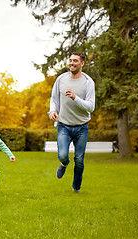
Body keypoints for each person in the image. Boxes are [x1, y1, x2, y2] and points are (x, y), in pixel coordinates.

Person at [48, 52, 95, 193]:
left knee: (79, 161)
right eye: (70, 60)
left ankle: (76, 188)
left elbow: (91, 107)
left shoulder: (88, 82)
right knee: (63, 155)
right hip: (64, 125)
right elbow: (54, 98)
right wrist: (52, 110)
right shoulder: (61, 79)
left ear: (82, 63)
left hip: (81, 127)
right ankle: (64, 163)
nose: (72, 63)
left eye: (75, 61)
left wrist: (75, 97)